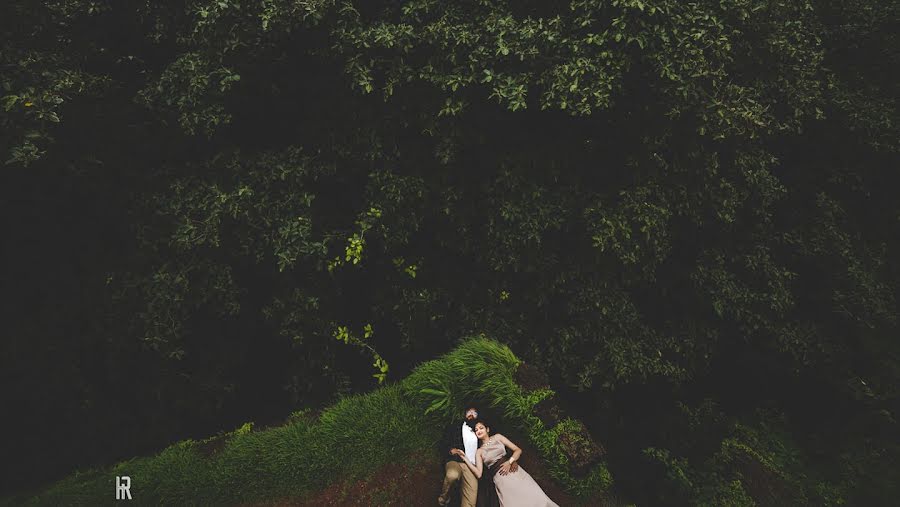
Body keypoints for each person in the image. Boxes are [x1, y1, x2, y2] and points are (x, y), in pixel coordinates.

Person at [453, 419, 559, 507]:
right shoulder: (479, 451)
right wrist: (464, 457)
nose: (479, 431)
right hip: (501, 479)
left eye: (481, 428)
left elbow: (518, 450)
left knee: (534, 496)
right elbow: (478, 473)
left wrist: (510, 461)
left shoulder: (498, 437)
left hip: (515, 473)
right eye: (476, 430)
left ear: (487, 429)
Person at [438, 406, 481, 506]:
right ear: (465, 414)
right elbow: (443, 443)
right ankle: (444, 498)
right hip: (455, 460)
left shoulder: (479, 430)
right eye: (469, 412)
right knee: (452, 475)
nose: (471, 414)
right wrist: (450, 450)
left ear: (477, 416)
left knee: (471, 503)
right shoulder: (455, 426)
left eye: (474, 412)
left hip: (471, 466)